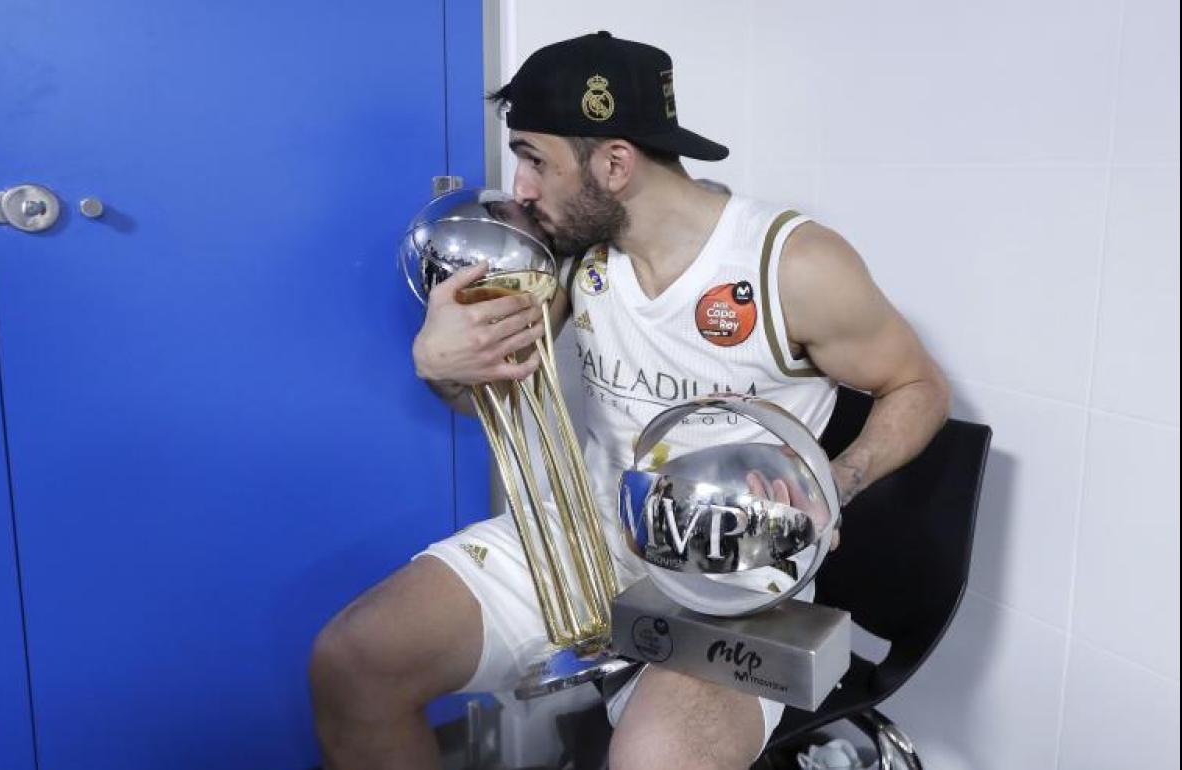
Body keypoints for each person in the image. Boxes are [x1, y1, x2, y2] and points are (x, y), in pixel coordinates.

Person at [309, 31, 950, 769]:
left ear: (614, 163)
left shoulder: (790, 265)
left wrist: (838, 481)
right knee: (354, 662)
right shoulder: (576, 255)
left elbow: (919, 386)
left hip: (733, 577)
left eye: (533, 158)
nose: (518, 187)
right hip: (583, 538)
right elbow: (487, 398)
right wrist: (440, 363)